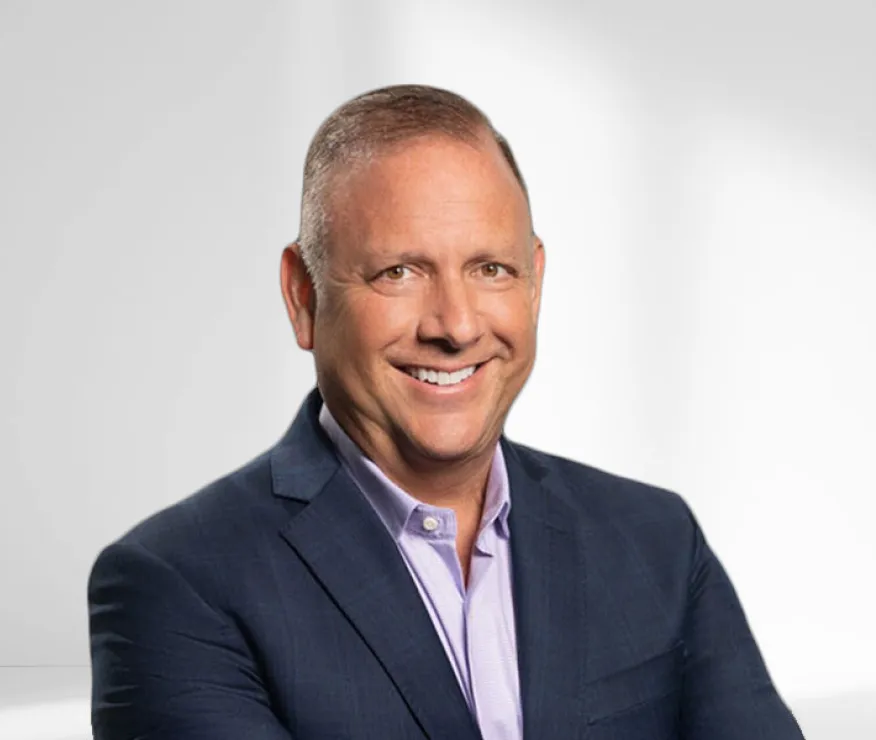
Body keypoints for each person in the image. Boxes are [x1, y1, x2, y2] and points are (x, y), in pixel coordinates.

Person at [88, 84, 805, 739]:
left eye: (491, 269)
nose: (456, 325)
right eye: (399, 271)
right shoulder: (176, 585)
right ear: (303, 297)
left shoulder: (655, 540)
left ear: (534, 284)